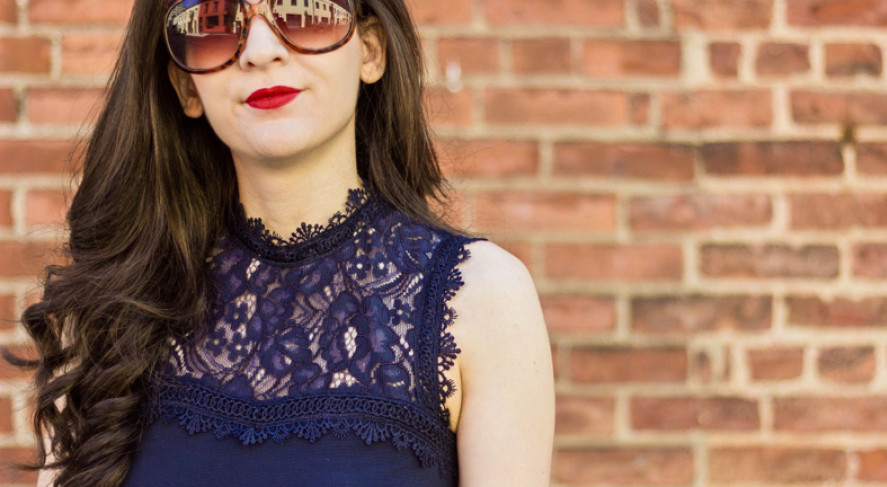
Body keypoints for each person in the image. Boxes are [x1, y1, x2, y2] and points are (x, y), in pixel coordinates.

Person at [4, 0, 555, 485]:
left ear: (370, 51)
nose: (260, 50)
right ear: (185, 87)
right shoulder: (111, 311)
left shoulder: (479, 300)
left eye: (302, 11)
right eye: (215, 22)